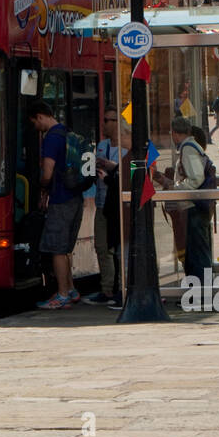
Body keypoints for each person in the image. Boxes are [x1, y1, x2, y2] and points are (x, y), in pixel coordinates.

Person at [27, 99, 84, 310]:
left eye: (35, 122)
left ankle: (61, 295)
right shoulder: (67, 133)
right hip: (75, 197)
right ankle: (70, 289)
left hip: (60, 199)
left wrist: (41, 185)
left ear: (40, 117)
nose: (35, 127)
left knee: (57, 249)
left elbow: (48, 173)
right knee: (65, 248)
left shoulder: (51, 138)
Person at [156, 116, 213, 284]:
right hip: (195, 205)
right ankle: (202, 291)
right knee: (198, 251)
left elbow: (196, 178)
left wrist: (176, 188)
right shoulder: (193, 146)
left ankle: (201, 292)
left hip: (192, 205)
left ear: (174, 133)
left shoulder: (187, 148)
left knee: (196, 253)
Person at [86, 108, 128, 305]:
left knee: (120, 249)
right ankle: (107, 289)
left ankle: (122, 288)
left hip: (120, 205)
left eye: (108, 120)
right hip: (102, 202)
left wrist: (112, 168)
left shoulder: (129, 148)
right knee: (102, 247)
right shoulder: (102, 145)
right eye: (103, 120)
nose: (104, 124)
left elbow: (130, 173)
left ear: (118, 123)